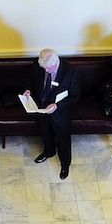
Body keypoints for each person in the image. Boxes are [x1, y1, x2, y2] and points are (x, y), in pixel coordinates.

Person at [24, 48, 81, 180]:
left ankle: (65, 164)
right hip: (42, 108)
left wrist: (57, 106)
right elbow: (30, 80)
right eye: (44, 68)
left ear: (56, 62)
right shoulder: (39, 65)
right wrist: (27, 90)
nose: (46, 71)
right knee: (44, 132)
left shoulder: (70, 72)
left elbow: (75, 96)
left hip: (61, 112)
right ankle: (49, 151)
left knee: (63, 139)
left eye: (49, 69)